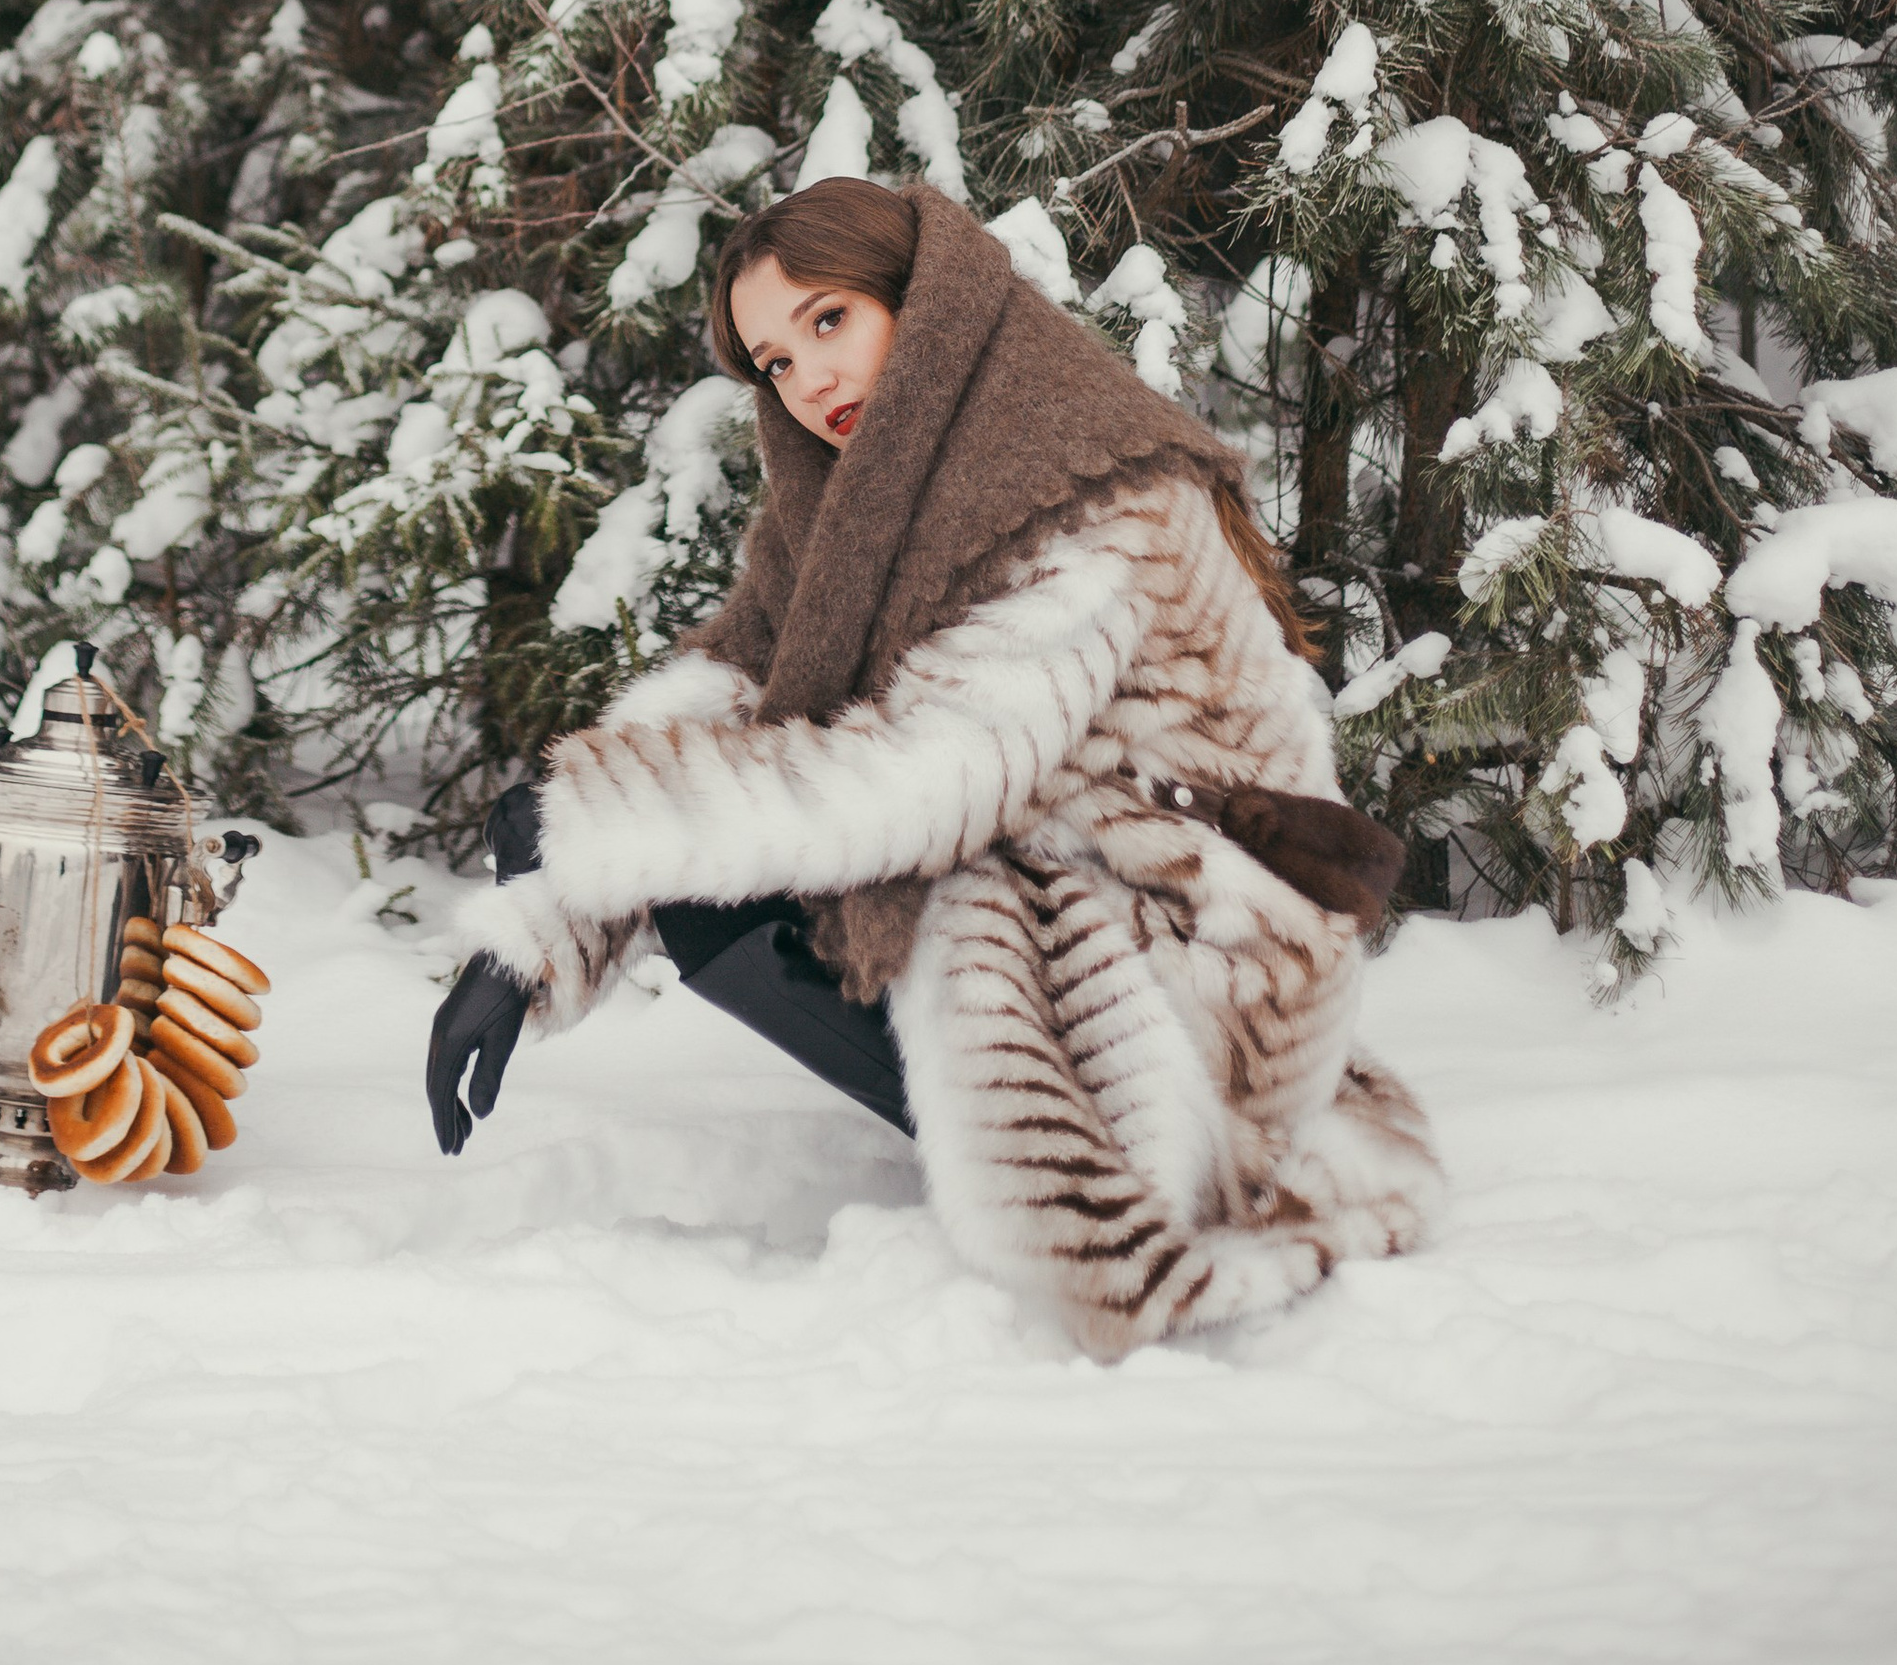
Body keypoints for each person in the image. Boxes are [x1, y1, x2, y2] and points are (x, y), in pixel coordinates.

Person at [426, 178, 1441, 1359]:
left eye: (827, 322)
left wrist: (592, 827)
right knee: (729, 868)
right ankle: (1007, 1130)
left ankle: (1125, 1173)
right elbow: (742, 687)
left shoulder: (1093, 482)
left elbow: (930, 774)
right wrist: (544, 920)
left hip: (1207, 952)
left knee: (933, 880)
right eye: (771, 361)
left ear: (932, 305)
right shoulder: (866, 504)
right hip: (1091, 885)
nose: (806, 380)